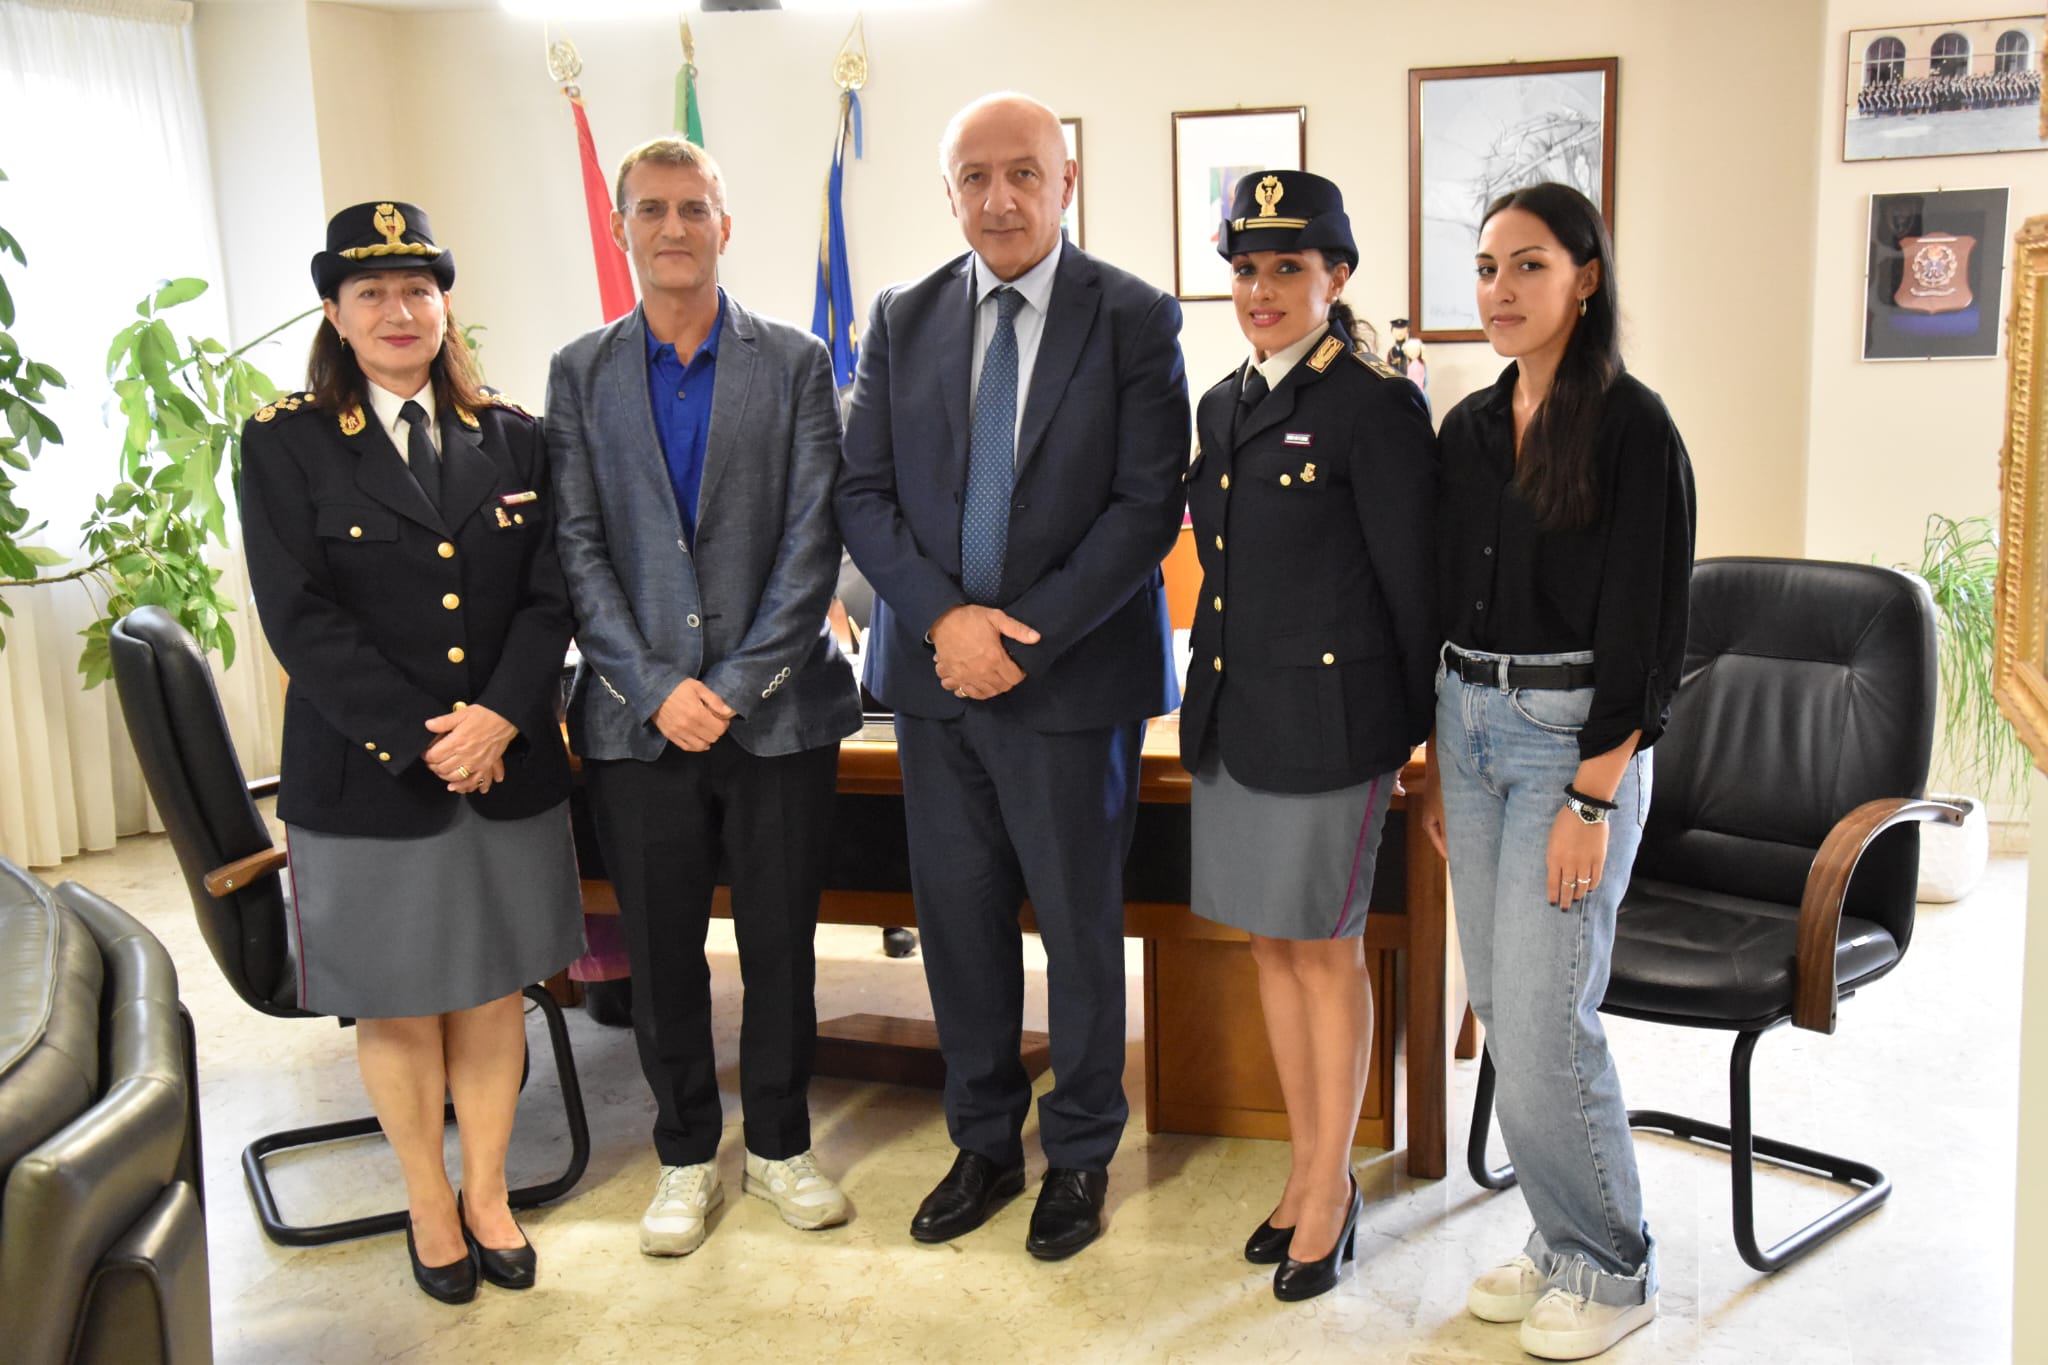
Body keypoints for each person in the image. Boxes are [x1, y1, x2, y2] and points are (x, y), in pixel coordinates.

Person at [837, 91, 1189, 1260]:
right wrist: (947, 623)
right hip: (934, 680)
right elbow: (863, 495)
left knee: (1079, 931)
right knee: (957, 923)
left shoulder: (1132, 316)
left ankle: (1079, 1153)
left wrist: (1013, 638)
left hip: (1070, 684)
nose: (999, 198)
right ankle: (982, 1142)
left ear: (1064, 182)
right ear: (947, 193)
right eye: (975, 177)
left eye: (1022, 173)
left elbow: (1144, 508)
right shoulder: (901, 317)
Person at [238, 201, 584, 1305]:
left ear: (444, 305)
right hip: (368, 773)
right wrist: (427, 739)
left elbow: (551, 596)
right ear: (336, 315)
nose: (399, 311)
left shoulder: (513, 435)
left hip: (506, 765)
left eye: (418, 290)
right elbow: (299, 618)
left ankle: (488, 1192)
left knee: (490, 993)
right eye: (372, 292)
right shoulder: (284, 442)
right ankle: (428, 1201)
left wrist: (500, 718)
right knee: (397, 1001)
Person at [545, 137, 863, 1257]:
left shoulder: (797, 363)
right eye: (651, 210)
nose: (672, 228)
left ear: (725, 224)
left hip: (777, 715)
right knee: (662, 952)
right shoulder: (578, 372)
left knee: (780, 946)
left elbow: (812, 543)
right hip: (636, 724)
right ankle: (684, 1154)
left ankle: (778, 1146)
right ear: (621, 226)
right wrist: (652, 688)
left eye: (693, 208)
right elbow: (577, 546)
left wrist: (726, 689)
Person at [1419, 182, 1696, 1361]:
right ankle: (1557, 1235)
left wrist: (1592, 794)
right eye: (1485, 268)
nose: (1499, 290)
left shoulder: (1633, 429)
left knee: (1543, 1019)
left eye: (1526, 266)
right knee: (1500, 1006)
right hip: (1465, 721)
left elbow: (1647, 632)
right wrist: (1436, 754)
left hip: (1566, 739)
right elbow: (1440, 593)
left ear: (1584, 277)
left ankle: (1611, 1264)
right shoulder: (1469, 429)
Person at [1179, 170, 1438, 1301]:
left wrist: (1428, 748)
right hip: (1238, 720)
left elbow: (1414, 592)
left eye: (1288, 267)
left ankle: (1330, 1192)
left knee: (1325, 952)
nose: (1263, 289)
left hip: (1335, 732)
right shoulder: (1222, 404)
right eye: (1246, 269)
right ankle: (1303, 1169)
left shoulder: (1374, 406)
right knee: (1272, 951)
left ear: (1336, 276)